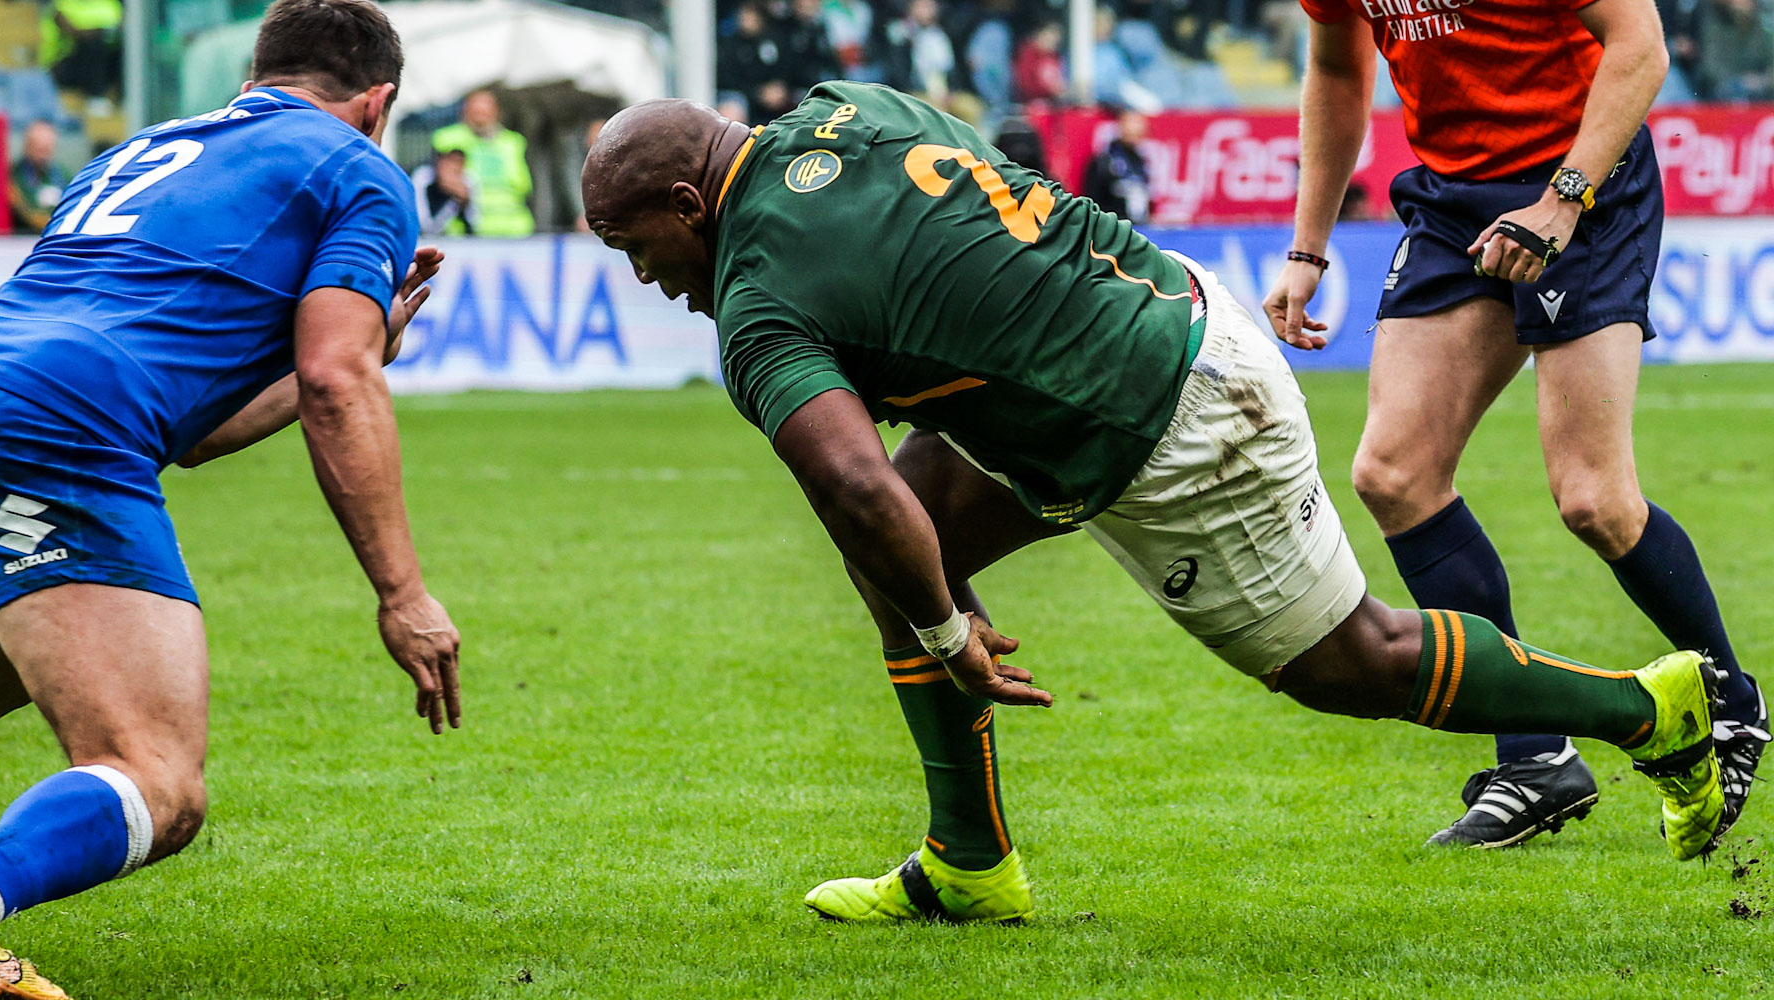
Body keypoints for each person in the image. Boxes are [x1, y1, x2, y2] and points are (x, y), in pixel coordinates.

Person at [580, 84, 1726, 923]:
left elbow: (847, 478)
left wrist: (948, 630)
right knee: (896, 552)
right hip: (1159, 313)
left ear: (690, 202)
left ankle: (1647, 709)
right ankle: (970, 861)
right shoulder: (845, 105)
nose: (645, 277)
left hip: (1170, 425)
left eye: (638, 249)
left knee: (1346, 663)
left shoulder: (755, 301)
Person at [0, 2, 461, 996]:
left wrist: (368, 339)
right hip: (51, 425)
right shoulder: (360, 168)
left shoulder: (146, 148)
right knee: (160, 778)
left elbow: (191, 433)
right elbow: (333, 379)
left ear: (254, 75)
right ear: (378, 101)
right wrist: (401, 591)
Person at [1265, 0, 1767, 848]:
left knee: (1594, 501)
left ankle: (1731, 704)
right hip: (1454, 199)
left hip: (1587, 183)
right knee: (1394, 474)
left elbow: (1638, 44)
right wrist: (1308, 247)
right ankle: (1536, 760)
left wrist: (1564, 200)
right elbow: (1339, 69)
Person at [428, 89, 535, 236]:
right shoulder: (446, 139)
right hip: (467, 231)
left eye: (484, 112)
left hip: (515, 229)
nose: (480, 118)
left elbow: (526, 187)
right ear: (465, 112)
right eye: (475, 112)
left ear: (496, 113)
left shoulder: (514, 143)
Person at [1082, 106, 1151, 223]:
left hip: (1138, 227)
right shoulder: (1103, 162)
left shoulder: (1141, 162)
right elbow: (1092, 200)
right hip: (1113, 228)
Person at [7, 120, 70, 235]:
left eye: (47, 148)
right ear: (26, 146)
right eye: (38, 148)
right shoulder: (13, 175)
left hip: (57, 236)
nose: (43, 154)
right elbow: (26, 213)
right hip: (23, 239)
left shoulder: (63, 174)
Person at [412, 142, 476, 235]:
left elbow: (474, 225)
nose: (454, 168)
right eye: (450, 162)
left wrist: (462, 202)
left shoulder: (468, 181)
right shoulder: (422, 178)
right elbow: (425, 226)